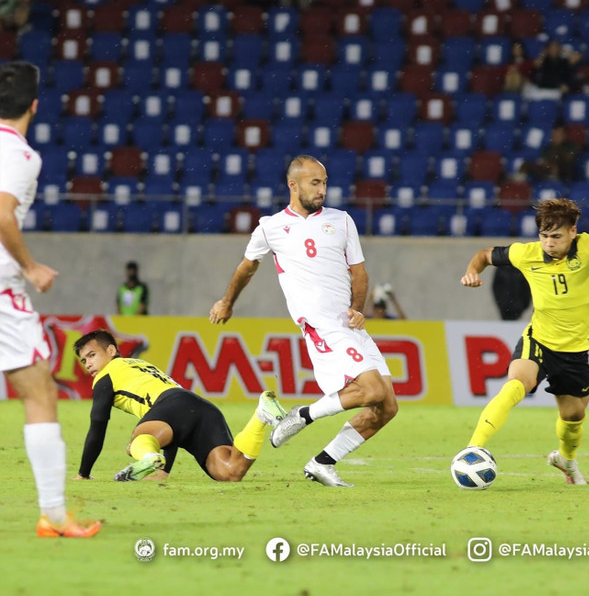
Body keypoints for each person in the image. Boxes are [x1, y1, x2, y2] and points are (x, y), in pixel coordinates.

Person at [209, 155, 397, 488]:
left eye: (324, 182)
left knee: (387, 407)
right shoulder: (271, 227)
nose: (322, 189)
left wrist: (357, 307)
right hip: (320, 324)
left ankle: (322, 463)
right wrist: (227, 301)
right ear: (293, 185)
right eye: (315, 183)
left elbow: (359, 272)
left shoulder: (341, 221)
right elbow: (246, 267)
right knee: (371, 390)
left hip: (349, 323)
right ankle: (303, 415)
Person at [459, 198, 589, 485]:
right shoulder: (526, 253)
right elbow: (484, 255)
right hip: (539, 339)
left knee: (573, 416)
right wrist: (472, 271)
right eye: (544, 236)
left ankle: (566, 460)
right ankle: (473, 448)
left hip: (575, 349)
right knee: (517, 385)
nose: (549, 243)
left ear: (573, 231)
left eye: (556, 236)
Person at [0, 61, 101, 538]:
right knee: (40, 393)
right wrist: (31, 267)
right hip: (1, 291)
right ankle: (55, 515)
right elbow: (2, 214)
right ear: (35, 105)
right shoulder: (20, 156)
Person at [73, 329, 288, 482]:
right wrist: (164, 471)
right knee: (230, 471)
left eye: (92, 355)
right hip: (199, 407)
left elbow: (98, 426)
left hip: (170, 406)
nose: (89, 364)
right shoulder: (141, 364)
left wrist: (84, 472)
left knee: (139, 442)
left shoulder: (106, 375)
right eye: (84, 361)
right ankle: (260, 415)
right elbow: (170, 425)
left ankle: (149, 457)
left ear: (111, 351)